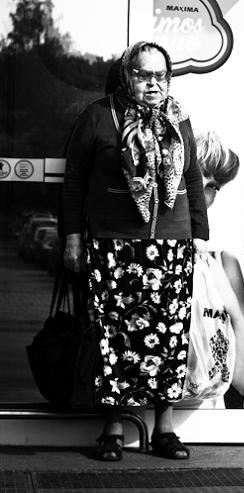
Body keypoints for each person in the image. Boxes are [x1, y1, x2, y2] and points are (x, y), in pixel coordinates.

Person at [62, 40, 209, 461]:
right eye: (143, 74)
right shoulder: (99, 116)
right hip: (114, 244)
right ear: (127, 76)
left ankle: (164, 429)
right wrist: (72, 236)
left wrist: (200, 233)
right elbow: (74, 180)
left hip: (171, 245)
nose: (153, 83)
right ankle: (113, 429)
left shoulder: (178, 117)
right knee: (114, 337)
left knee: (168, 338)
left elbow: (192, 177)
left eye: (160, 75)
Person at [194, 129, 244, 407]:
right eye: (196, 176)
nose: (204, 189)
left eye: (214, 186)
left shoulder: (224, 263)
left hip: (209, 412)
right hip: (152, 413)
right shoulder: (151, 257)